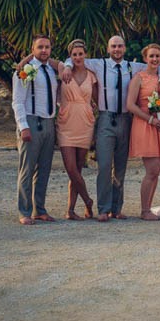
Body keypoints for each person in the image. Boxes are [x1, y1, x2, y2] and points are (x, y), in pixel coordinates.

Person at [62, 34, 160, 222]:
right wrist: (68, 66)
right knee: (104, 166)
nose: (117, 50)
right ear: (108, 48)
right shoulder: (98, 64)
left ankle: (116, 208)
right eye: (113, 46)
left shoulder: (133, 67)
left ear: (124, 48)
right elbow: (74, 58)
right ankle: (103, 209)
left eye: (120, 46)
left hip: (126, 120)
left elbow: (159, 66)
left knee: (120, 167)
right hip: (105, 119)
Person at [11, 34, 60, 225]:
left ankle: (40, 209)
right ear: (33, 49)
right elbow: (17, 101)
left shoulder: (50, 69)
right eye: (40, 47)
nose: (44, 50)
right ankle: (24, 211)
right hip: (31, 122)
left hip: (49, 122)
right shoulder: (24, 70)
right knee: (27, 169)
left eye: (47, 47)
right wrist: (23, 126)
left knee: (44, 169)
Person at [127, 43, 160, 220]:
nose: (154, 59)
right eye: (151, 56)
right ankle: (144, 210)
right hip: (146, 124)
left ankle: (148, 208)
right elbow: (130, 105)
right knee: (151, 170)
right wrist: (150, 119)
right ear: (145, 58)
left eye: (157, 56)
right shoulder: (139, 77)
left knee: (157, 171)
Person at [56, 39, 98, 220]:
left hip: (85, 123)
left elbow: (98, 101)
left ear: (85, 55)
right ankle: (88, 201)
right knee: (71, 168)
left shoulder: (92, 75)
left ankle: (70, 210)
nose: (78, 57)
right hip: (66, 122)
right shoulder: (62, 70)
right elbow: (42, 58)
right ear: (70, 56)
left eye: (80, 54)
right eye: (74, 54)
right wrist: (65, 65)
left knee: (78, 170)